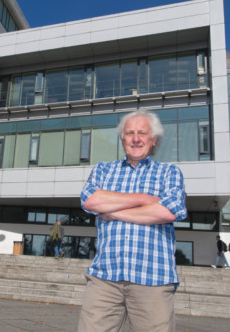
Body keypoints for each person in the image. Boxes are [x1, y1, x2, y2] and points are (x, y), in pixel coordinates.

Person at [78, 110, 187, 332]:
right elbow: (90, 201)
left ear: (153, 140)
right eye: (129, 133)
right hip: (104, 278)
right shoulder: (103, 170)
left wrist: (114, 212)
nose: (135, 139)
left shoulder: (169, 173)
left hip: (153, 279)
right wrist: (142, 199)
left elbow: (167, 212)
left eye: (142, 133)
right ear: (122, 139)